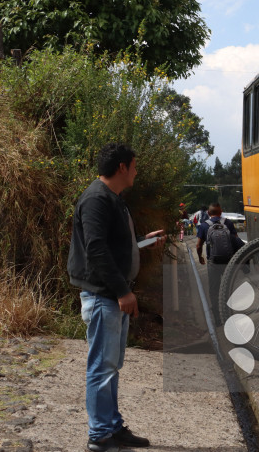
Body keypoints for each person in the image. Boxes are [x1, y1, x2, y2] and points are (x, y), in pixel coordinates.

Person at [68, 143, 164, 452]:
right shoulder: (97, 199)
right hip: (103, 297)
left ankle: (112, 427)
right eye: (134, 165)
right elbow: (96, 249)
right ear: (122, 167)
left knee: (110, 366)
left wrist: (140, 243)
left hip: (110, 296)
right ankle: (99, 437)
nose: (136, 171)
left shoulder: (111, 199)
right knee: (102, 367)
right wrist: (123, 292)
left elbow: (109, 245)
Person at [196, 203, 244, 326]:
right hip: (229, 261)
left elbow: (198, 245)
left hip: (213, 262)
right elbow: (236, 240)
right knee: (229, 287)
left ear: (208, 213)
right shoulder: (228, 223)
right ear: (221, 212)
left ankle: (218, 318)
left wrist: (201, 256)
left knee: (214, 290)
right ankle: (230, 314)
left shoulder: (204, 225)